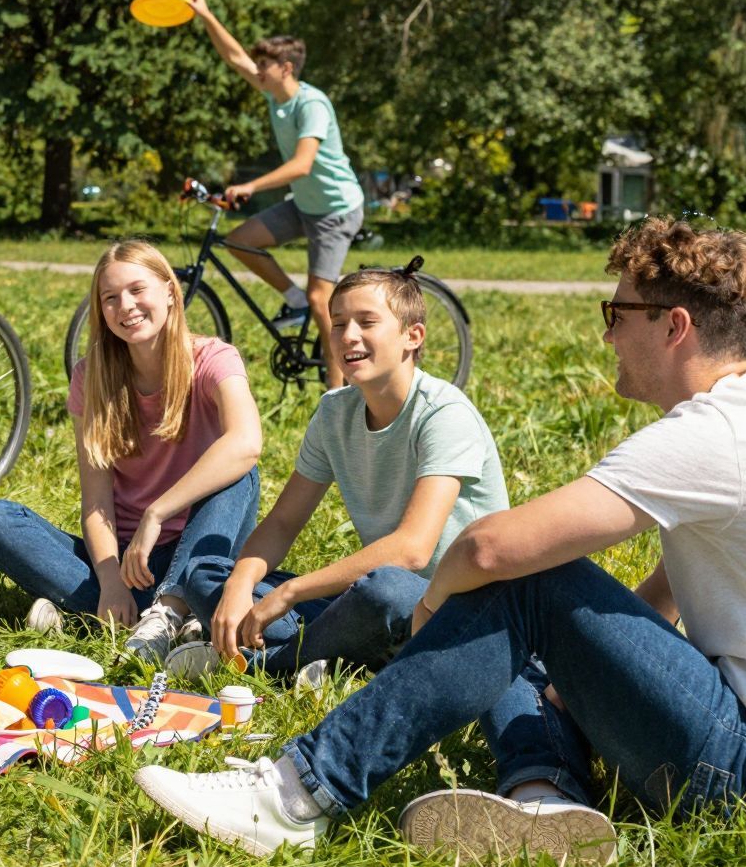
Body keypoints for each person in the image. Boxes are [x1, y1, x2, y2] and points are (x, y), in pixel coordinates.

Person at [136, 220, 746, 864]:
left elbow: (490, 549)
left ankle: (294, 796)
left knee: (524, 575)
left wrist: (435, 611)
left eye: (618, 312)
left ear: (674, 326)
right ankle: (545, 795)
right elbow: (684, 576)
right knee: (534, 603)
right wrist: (585, 676)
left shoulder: (714, 437)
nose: (608, 331)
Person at [166, 262, 510, 687]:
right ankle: (327, 655)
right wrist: (240, 583)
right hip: (369, 601)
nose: (348, 336)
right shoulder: (335, 411)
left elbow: (412, 551)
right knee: (205, 577)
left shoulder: (443, 413)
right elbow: (283, 522)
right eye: (339, 323)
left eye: (367, 322)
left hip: (451, 607)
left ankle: (271, 663)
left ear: (412, 336)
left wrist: (289, 593)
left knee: (383, 591)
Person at [0, 242, 263, 662]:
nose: (125, 306)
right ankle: (152, 610)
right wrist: (111, 578)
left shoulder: (213, 359)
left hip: (198, 548)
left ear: (169, 291)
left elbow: (247, 442)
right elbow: (96, 502)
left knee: (239, 473)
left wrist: (157, 512)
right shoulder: (91, 376)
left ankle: (163, 607)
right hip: (128, 558)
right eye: (110, 298)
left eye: (136, 290)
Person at [184, 0, 364, 387]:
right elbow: (235, 59)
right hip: (304, 204)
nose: (257, 71)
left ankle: (337, 393)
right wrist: (206, 14)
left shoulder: (311, 105)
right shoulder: (274, 94)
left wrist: (250, 184)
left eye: (264, 66)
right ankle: (293, 300)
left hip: (335, 210)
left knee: (323, 299)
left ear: (285, 68)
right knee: (239, 242)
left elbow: (303, 164)